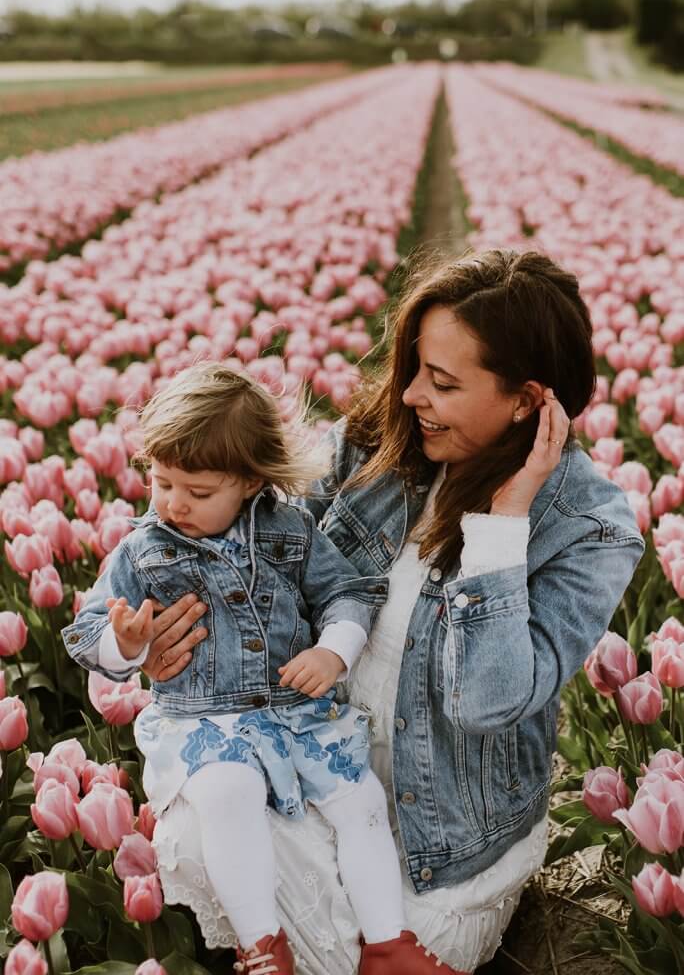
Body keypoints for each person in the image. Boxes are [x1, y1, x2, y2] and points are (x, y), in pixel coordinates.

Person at [136, 250, 645, 974]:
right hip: (320, 772)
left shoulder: (588, 529)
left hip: (447, 841)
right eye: (413, 370)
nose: (408, 396)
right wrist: (163, 640)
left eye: (441, 382)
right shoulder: (373, 450)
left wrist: (504, 528)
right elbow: (237, 541)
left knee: (347, 953)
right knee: (198, 830)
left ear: (527, 399)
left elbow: (487, 702)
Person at [62, 363, 472, 975]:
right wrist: (126, 646)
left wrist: (333, 650)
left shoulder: (291, 531)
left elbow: (347, 592)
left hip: (297, 713)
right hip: (204, 723)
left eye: (198, 493)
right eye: (161, 482)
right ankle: (262, 944)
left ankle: (389, 943)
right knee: (230, 794)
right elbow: (86, 634)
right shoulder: (140, 551)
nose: (174, 503)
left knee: (359, 799)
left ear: (251, 482)